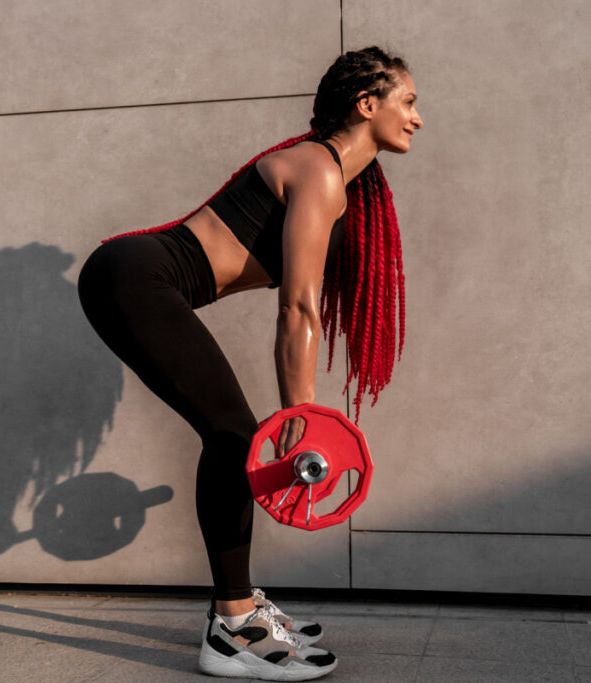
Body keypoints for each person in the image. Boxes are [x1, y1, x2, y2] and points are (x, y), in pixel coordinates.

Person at [78, 46, 423, 680]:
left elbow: (301, 301)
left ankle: (239, 609)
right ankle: (232, 626)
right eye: (408, 101)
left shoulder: (333, 178)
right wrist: (301, 409)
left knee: (233, 437)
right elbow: (297, 305)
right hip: (133, 276)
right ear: (366, 105)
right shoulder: (318, 169)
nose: (417, 118)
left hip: (142, 278)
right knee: (236, 436)